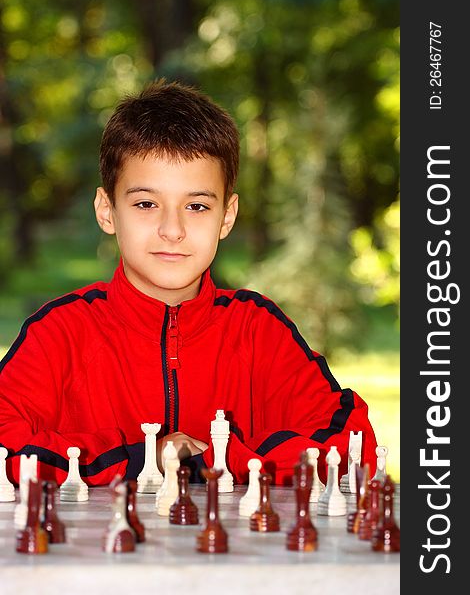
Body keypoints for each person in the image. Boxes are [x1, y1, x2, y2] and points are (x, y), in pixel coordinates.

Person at [0, 79, 377, 486]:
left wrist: (212, 460)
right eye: (146, 203)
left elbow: (354, 445)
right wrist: (147, 458)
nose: (173, 229)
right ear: (107, 211)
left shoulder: (259, 330)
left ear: (227, 217)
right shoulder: (60, 332)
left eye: (196, 206)